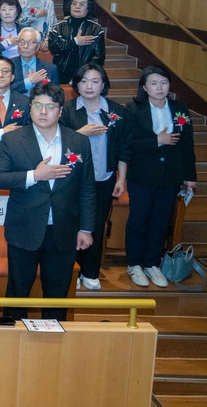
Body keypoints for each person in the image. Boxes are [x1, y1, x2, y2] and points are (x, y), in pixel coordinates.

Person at [0, 82, 95, 321]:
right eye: (38, 105)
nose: (43, 111)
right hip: (24, 229)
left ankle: (52, 343)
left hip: (64, 230)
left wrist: (86, 228)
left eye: (50, 106)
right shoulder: (13, 139)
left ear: (61, 111)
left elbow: (87, 188)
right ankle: (14, 338)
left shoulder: (78, 142)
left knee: (57, 293)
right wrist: (34, 176)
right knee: (18, 290)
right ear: (30, 109)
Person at [122, 65, 197, 288]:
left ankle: (152, 263)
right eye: (153, 83)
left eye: (163, 83)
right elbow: (128, 144)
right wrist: (157, 140)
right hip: (141, 176)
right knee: (139, 220)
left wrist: (189, 176)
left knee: (160, 222)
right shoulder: (134, 109)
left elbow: (187, 145)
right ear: (144, 87)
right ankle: (134, 263)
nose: (159, 87)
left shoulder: (179, 108)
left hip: (170, 176)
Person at [59, 63, 127, 291]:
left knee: (95, 225)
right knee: (71, 224)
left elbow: (123, 148)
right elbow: (56, 143)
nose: (89, 86)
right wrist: (80, 134)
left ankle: (90, 271)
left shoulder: (116, 111)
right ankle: (71, 271)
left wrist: (120, 178)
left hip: (103, 177)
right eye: (84, 81)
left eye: (95, 81)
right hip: (72, 178)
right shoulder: (66, 110)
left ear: (104, 84)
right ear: (76, 84)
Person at [47, 0, 105, 84]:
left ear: (88, 8)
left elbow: (98, 57)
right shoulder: (58, 26)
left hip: (85, 76)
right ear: (70, 6)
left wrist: (86, 74)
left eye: (82, 4)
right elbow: (54, 48)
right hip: (61, 73)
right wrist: (75, 42)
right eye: (74, 3)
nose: (77, 6)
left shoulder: (96, 29)